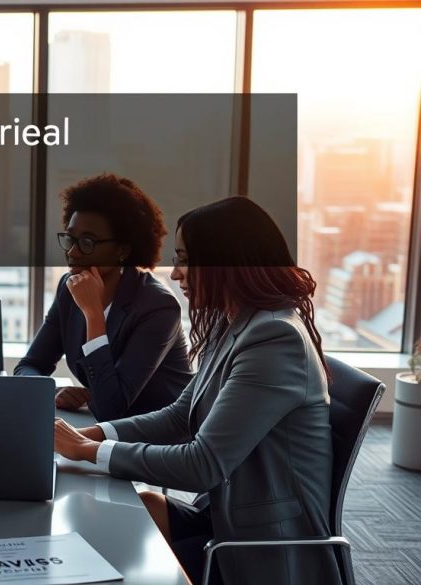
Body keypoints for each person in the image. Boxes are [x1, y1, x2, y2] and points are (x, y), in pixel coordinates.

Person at [53, 196, 340, 585]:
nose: (175, 274)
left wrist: (88, 450)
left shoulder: (275, 339)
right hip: (223, 516)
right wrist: (91, 435)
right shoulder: (236, 322)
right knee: (137, 508)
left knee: (120, 553)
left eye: (186, 260)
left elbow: (202, 465)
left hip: (262, 550)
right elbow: (179, 417)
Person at [15, 173, 192, 421]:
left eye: (87, 242)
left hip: (160, 434)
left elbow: (111, 407)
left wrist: (93, 314)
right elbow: (29, 366)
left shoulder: (157, 306)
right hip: (106, 428)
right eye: (70, 238)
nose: (73, 252)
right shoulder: (69, 288)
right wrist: (51, 391)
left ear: (122, 250)